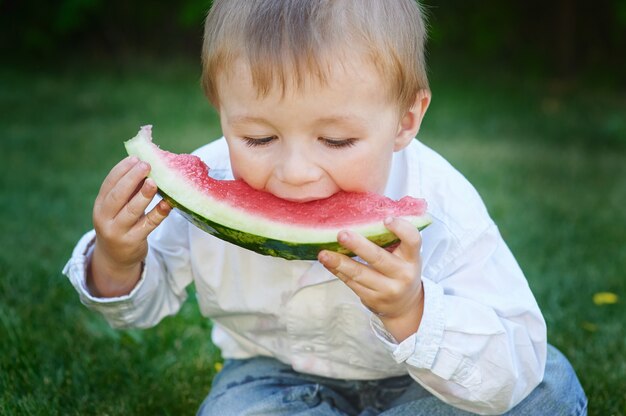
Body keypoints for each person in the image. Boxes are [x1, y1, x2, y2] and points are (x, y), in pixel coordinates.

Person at [63, 0, 588, 414]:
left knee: (549, 390)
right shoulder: (210, 178)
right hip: (270, 380)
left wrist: (413, 313)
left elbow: (512, 354)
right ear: (221, 108)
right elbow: (140, 307)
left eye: (335, 141)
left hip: (420, 385)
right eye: (259, 137)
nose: (295, 172)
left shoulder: (442, 203)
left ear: (406, 119)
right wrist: (117, 259)